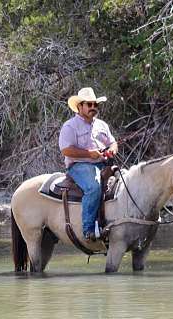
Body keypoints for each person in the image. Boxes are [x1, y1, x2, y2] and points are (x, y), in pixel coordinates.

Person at [58, 87, 118, 241]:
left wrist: (111, 150)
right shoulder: (70, 126)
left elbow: (113, 142)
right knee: (93, 187)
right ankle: (88, 230)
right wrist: (88, 153)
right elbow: (66, 150)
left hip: (102, 164)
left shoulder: (102, 125)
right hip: (78, 166)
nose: (93, 108)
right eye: (89, 105)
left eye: (95, 105)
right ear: (79, 107)